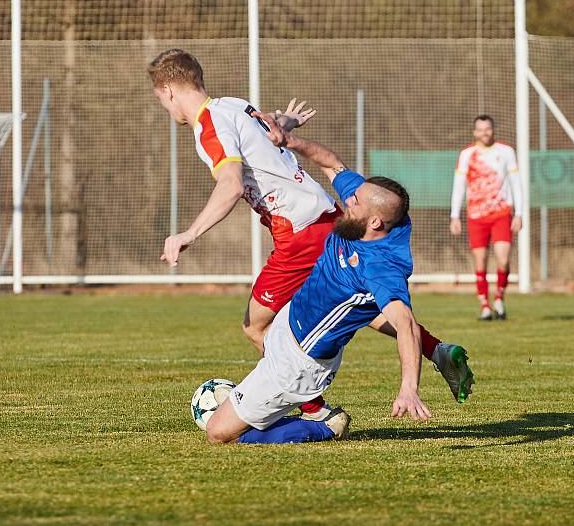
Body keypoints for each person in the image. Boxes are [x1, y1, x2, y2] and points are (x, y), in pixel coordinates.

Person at [147, 49, 467, 420]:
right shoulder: (233, 105)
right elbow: (268, 128)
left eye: (159, 98)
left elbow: (231, 185)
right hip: (326, 214)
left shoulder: (209, 128)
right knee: (356, 304)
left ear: (169, 90)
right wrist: (288, 122)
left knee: (256, 326)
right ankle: (437, 350)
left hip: (297, 232)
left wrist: (189, 232)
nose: (163, 105)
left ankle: (313, 409)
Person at [204, 113, 474, 444]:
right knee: (312, 315)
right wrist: (289, 141)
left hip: (301, 362)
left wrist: (408, 388)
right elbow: (333, 165)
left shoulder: (381, 267)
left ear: (374, 222)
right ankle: (440, 351)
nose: (346, 199)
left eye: (354, 201)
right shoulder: (372, 211)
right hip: (290, 324)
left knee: (219, 433)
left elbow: (405, 324)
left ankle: (324, 424)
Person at [450, 115, 524, 320]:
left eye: (488, 129)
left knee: (503, 259)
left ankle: (499, 298)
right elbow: (459, 186)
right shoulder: (467, 155)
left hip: (501, 213)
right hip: (476, 216)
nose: (485, 133)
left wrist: (519, 213)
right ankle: (484, 304)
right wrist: (454, 215)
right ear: (475, 132)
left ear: (493, 130)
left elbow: (517, 183)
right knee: (480, 261)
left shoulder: (506, 152)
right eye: (480, 129)